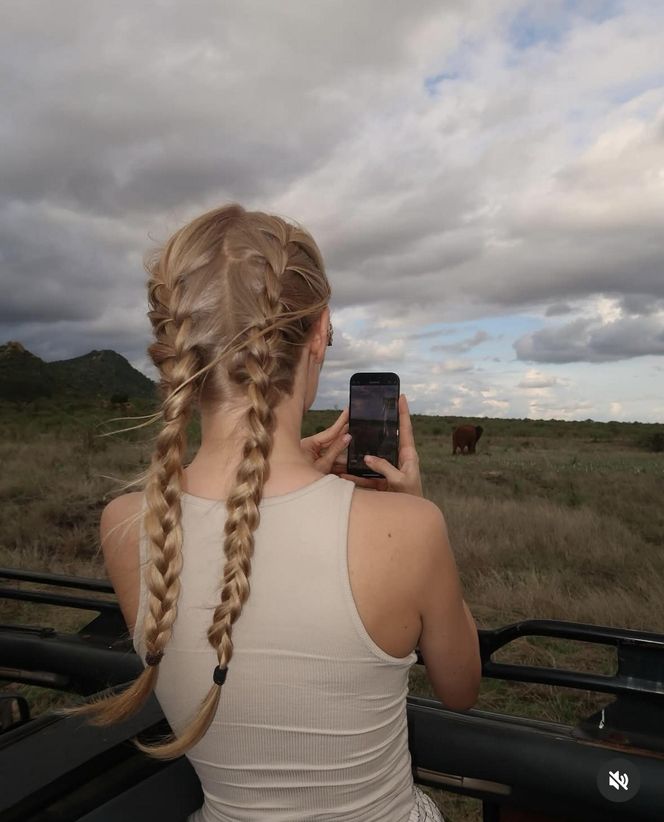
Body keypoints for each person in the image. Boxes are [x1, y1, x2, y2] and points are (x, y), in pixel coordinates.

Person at [59, 203, 482, 821]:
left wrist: (305, 481)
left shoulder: (128, 523)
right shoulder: (408, 530)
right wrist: (409, 514)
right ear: (319, 333)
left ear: (176, 345)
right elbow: (461, 688)